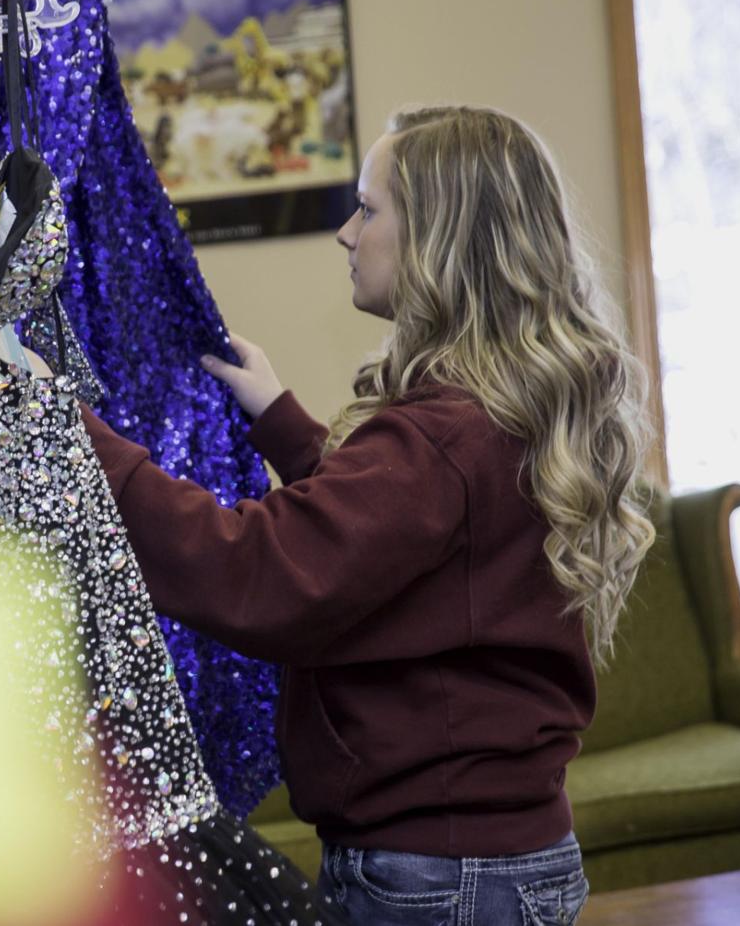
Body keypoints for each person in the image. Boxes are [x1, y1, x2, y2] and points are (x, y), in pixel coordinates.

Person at [78, 105, 656, 925]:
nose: (347, 234)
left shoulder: (443, 436)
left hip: (438, 879)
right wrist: (280, 417)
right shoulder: (490, 416)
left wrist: (78, 439)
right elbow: (407, 545)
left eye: (368, 208)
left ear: (439, 239)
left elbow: (265, 574)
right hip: (499, 859)